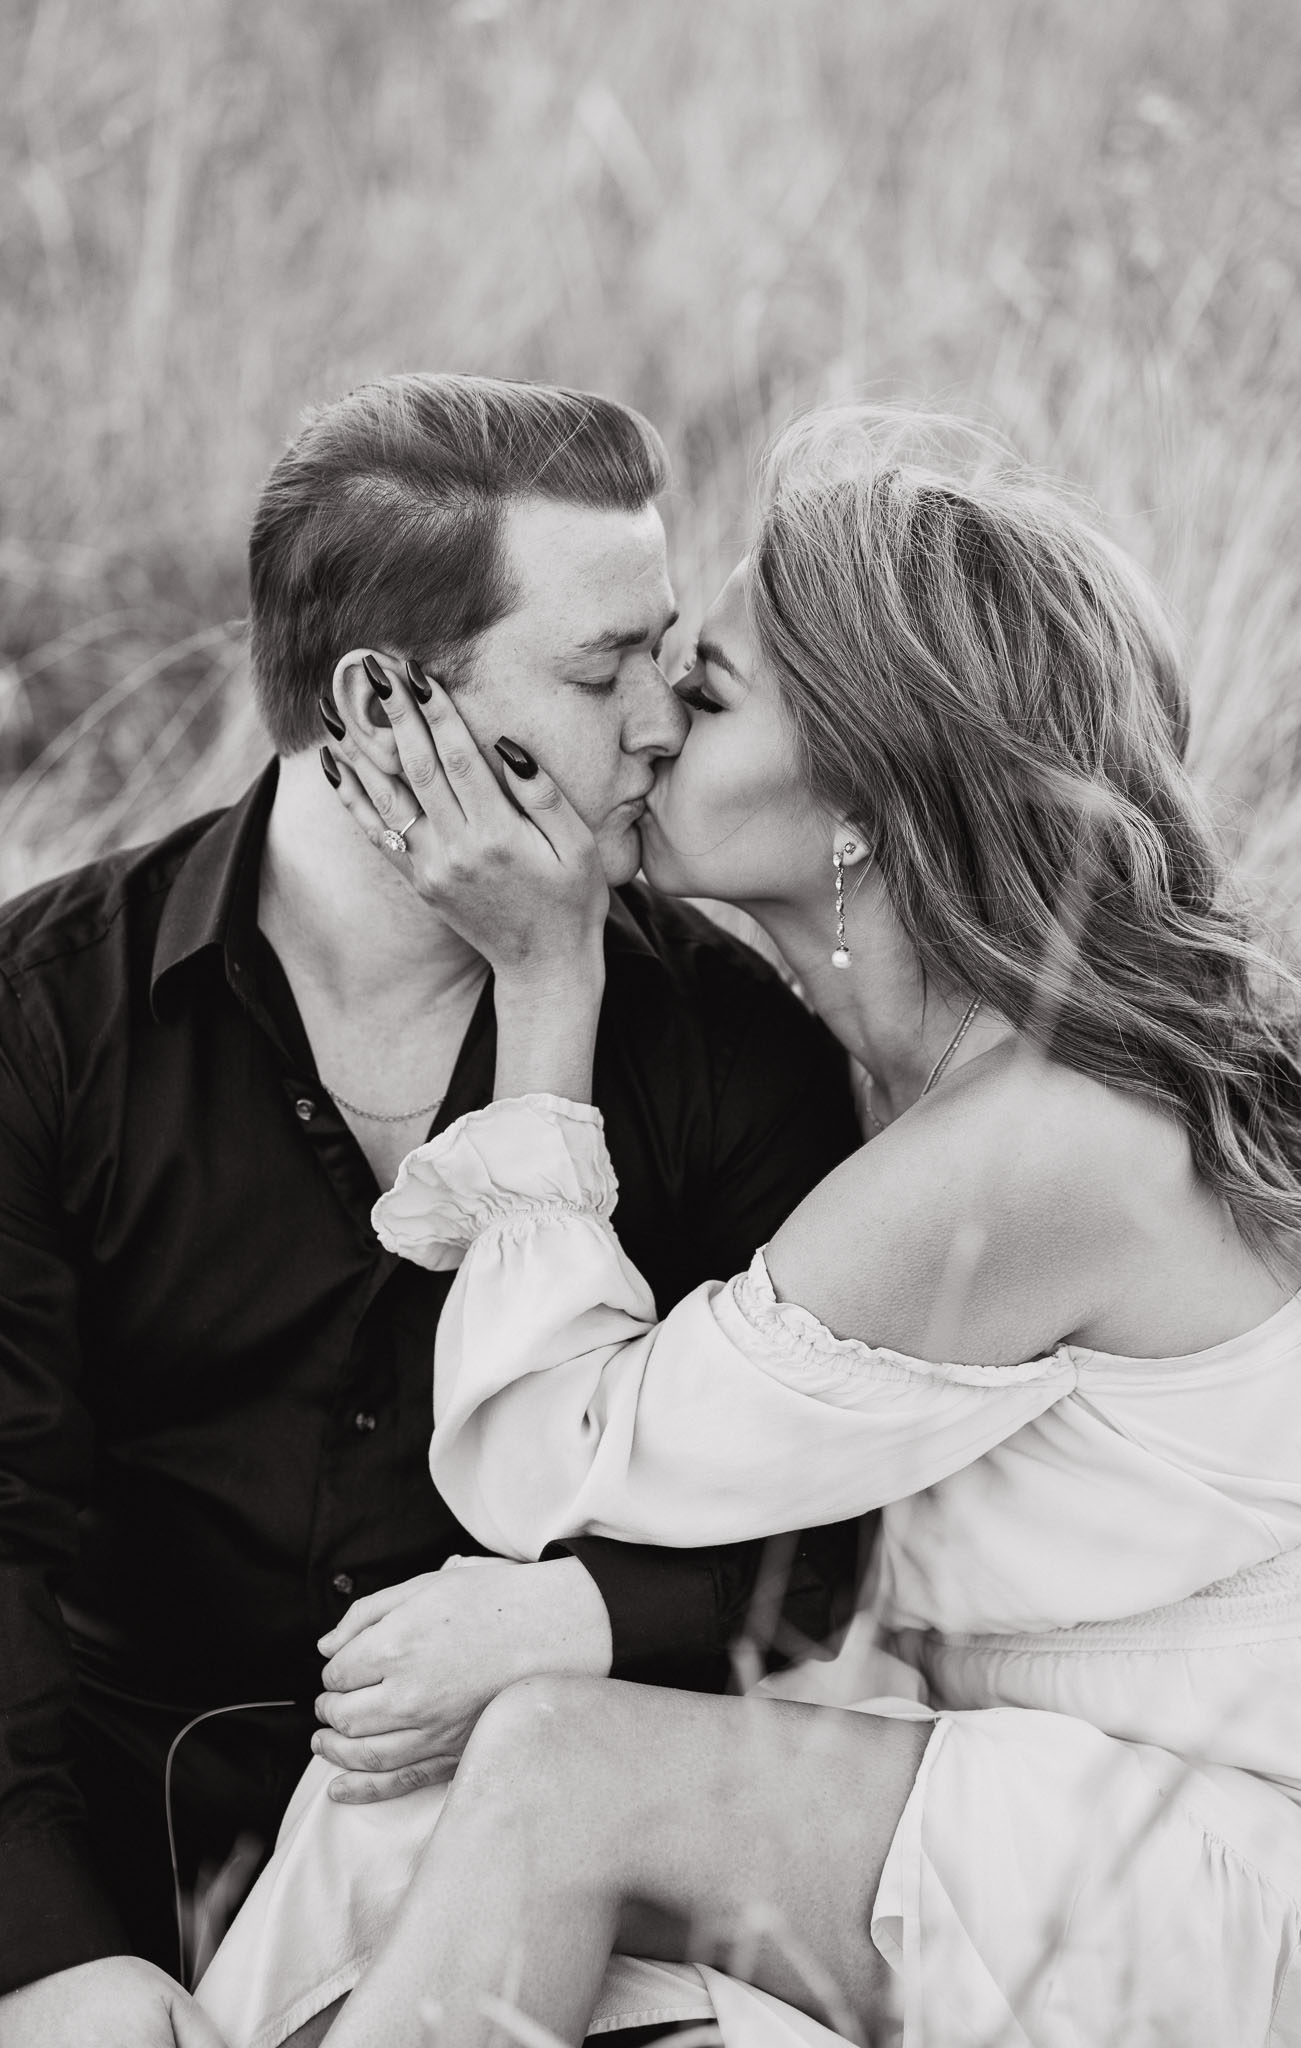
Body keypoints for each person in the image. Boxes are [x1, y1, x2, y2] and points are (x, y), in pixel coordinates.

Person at [211, 403, 1301, 2048]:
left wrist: (546, 975)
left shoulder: (1031, 1143)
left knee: (560, 1765)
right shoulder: (915, 1084)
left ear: (864, 798)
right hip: (1074, 1793)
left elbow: (546, 1462)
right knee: (418, 1807)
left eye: (703, 692)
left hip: (1264, 1865)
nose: (647, 726)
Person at [0, 376, 863, 2048]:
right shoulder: (47, 1018)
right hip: (121, 1884)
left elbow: (826, 1528)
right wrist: (47, 1959)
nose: (661, 726)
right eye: (601, 674)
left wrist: (587, 1612)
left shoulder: (722, 1039)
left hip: (540, 1904)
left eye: (665, 660)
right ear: (380, 703)